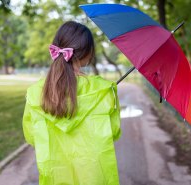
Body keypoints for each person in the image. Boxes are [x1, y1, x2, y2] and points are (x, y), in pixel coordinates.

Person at [22, 21, 121, 185]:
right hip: (95, 175)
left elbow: (31, 136)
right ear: (88, 53)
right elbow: (114, 132)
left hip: (56, 175)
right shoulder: (103, 90)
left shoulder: (35, 92)